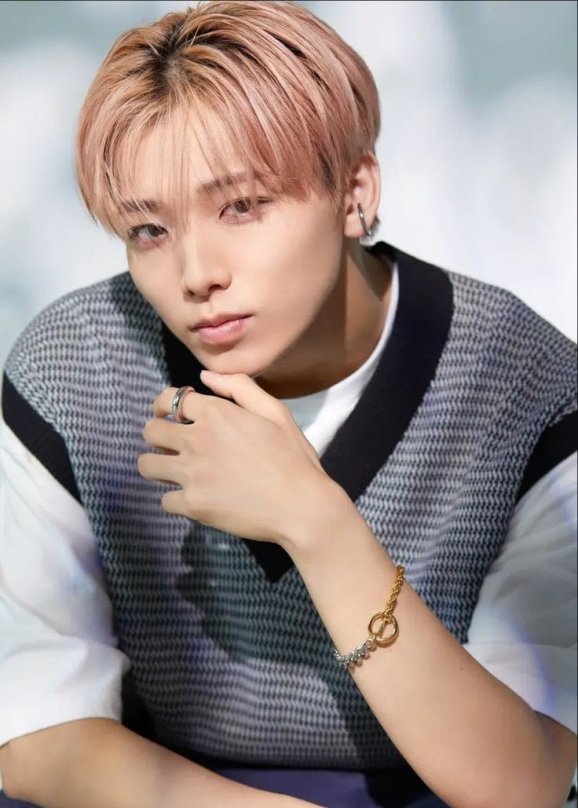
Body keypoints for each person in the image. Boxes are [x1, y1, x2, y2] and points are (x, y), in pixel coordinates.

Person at [0, 1, 576, 806]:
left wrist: (315, 521)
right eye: (149, 231)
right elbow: (34, 735)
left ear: (355, 192)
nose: (197, 274)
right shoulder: (75, 367)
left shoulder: (518, 378)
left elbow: (525, 782)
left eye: (241, 206)